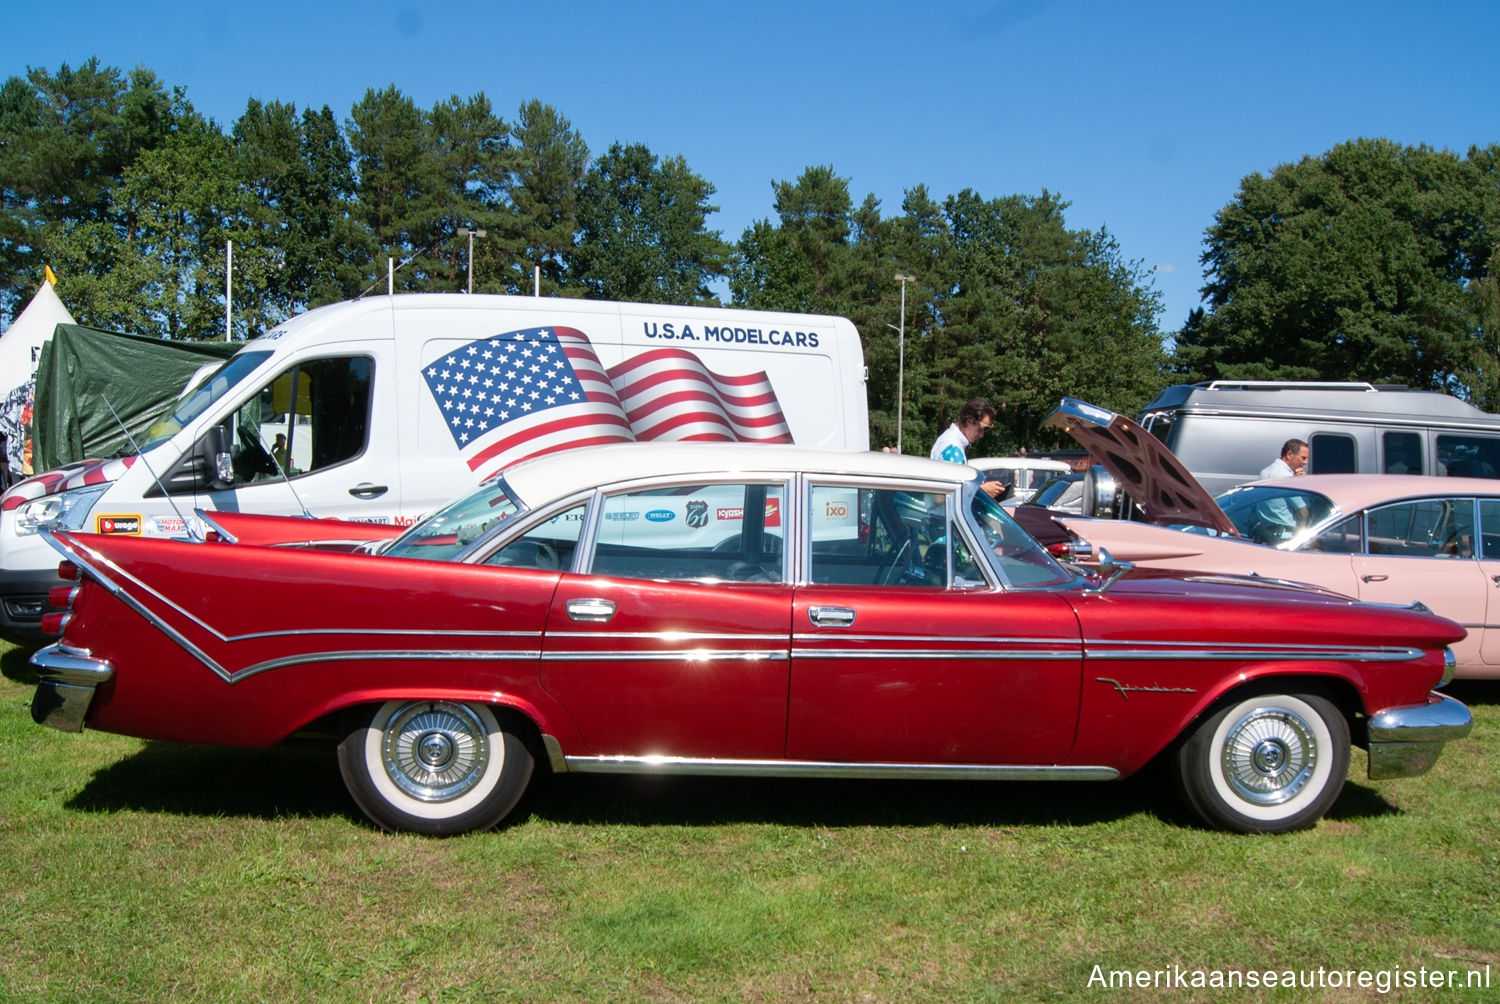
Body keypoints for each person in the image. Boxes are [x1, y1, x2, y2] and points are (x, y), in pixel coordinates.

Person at [931, 398, 1005, 498]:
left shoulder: (948, 439)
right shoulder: (953, 449)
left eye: (986, 430)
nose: (982, 435)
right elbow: (949, 495)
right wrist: (983, 490)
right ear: (969, 421)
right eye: (982, 428)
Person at [1254, 438, 1310, 540]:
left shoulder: (1265, 472)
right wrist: (1304, 484)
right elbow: (1304, 512)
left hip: (1266, 533)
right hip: (1287, 536)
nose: (1306, 462)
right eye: (1303, 458)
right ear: (1289, 455)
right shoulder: (1287, 478)